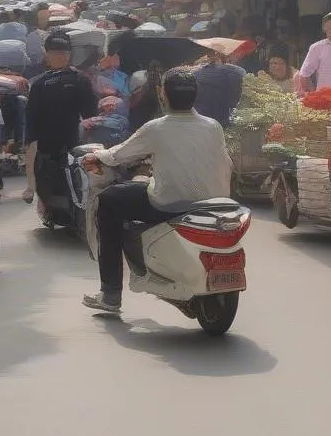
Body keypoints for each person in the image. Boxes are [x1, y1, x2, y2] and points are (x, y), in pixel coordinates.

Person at [81, 69, 233, 314]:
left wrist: (95, 155)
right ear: (195, 96)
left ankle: (110, 294)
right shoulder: (212, 126)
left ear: (163, 94)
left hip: (170, 203)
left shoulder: (156, 128)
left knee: (108, 201)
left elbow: (116, 155)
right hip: (216, 202)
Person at [23, 30, 98, 208]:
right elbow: (90, 113)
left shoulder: (39, 83)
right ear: (69, 55)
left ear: (47, 55)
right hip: (74, 139)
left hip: (47, 143)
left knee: (48, 173)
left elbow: (32, 116)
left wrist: (29, 140)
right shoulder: (80, 80)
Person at [193, 48, 246, 128]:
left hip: (199, 119)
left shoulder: (196, 73)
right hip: (222, 119)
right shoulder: (237, 72)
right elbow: (236, 99)